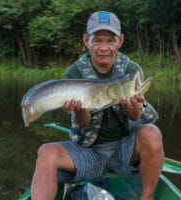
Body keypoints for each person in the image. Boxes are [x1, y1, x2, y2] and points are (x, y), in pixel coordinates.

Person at [31, 11, 164, 200]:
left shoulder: (131, 70)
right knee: (46, 152)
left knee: (152, 132)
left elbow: (135, 117)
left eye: (111, 40)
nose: (104, 47)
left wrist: (133, 110)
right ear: (86, 41)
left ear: (120, 41)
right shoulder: (75, 71)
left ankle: (147, 197)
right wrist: (79, 109)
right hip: (88, 153)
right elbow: (83, 124)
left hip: (123, 152)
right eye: (97, 40)